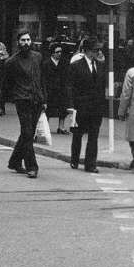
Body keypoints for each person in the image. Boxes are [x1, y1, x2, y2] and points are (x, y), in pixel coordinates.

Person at [2, 31, 46, 178]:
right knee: (27, 132)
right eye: (23, 40)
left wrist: (44, 98)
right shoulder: (12, 62)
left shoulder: (37, 57)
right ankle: (32, 166)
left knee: (28, 133)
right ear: (18, 42)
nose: (26, 42)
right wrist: (3, 102)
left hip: (37, 99)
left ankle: (14, 161)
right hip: (22, 100)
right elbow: (6, 84)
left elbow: (42, 79)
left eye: (28, 40)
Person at [67, 38, 107, 173]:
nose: (98, 52)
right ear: (87, 51)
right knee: (78, 134)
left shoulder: (101, 66)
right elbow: (70, 87)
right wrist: (71, 106)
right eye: (95, 50)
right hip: (81, 106)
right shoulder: (76, 65)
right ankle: (75, 159)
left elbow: (102, 86)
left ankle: (90, 164)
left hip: (96, 107)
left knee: (93, 136)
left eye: (99, 50)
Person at [42, 43, 70, 134]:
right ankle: (46, 127)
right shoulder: (46, 64)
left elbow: (66, 76)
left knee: (63, 108)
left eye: (60, 52)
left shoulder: (64, 63)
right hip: (50, 90)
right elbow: (44, 78)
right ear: (52, 53)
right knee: (48, 109)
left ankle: (61, 127)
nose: (59, 54)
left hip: (61, 90)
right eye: (57, 52)